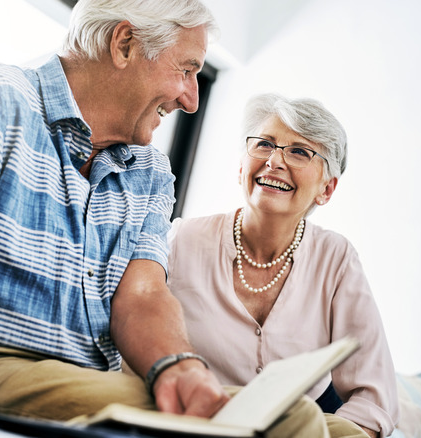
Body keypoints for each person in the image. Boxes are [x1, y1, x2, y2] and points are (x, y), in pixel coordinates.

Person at [0, 2, 329, 436]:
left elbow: (142, 294)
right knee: (288, 421)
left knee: (302, 418)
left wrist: (178, 366)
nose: (190, 99)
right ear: (124, 44)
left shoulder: (151, 170)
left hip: (80, 378)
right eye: (186, 70)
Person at [167, 93, 399, 438]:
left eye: (299, 151)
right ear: (242, 166)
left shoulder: (337, 257)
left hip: (300, 424)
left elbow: (374, 396)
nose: (275, 161)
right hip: (198, 421)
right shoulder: (182, 239)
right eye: (264, 144)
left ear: (327, 189)